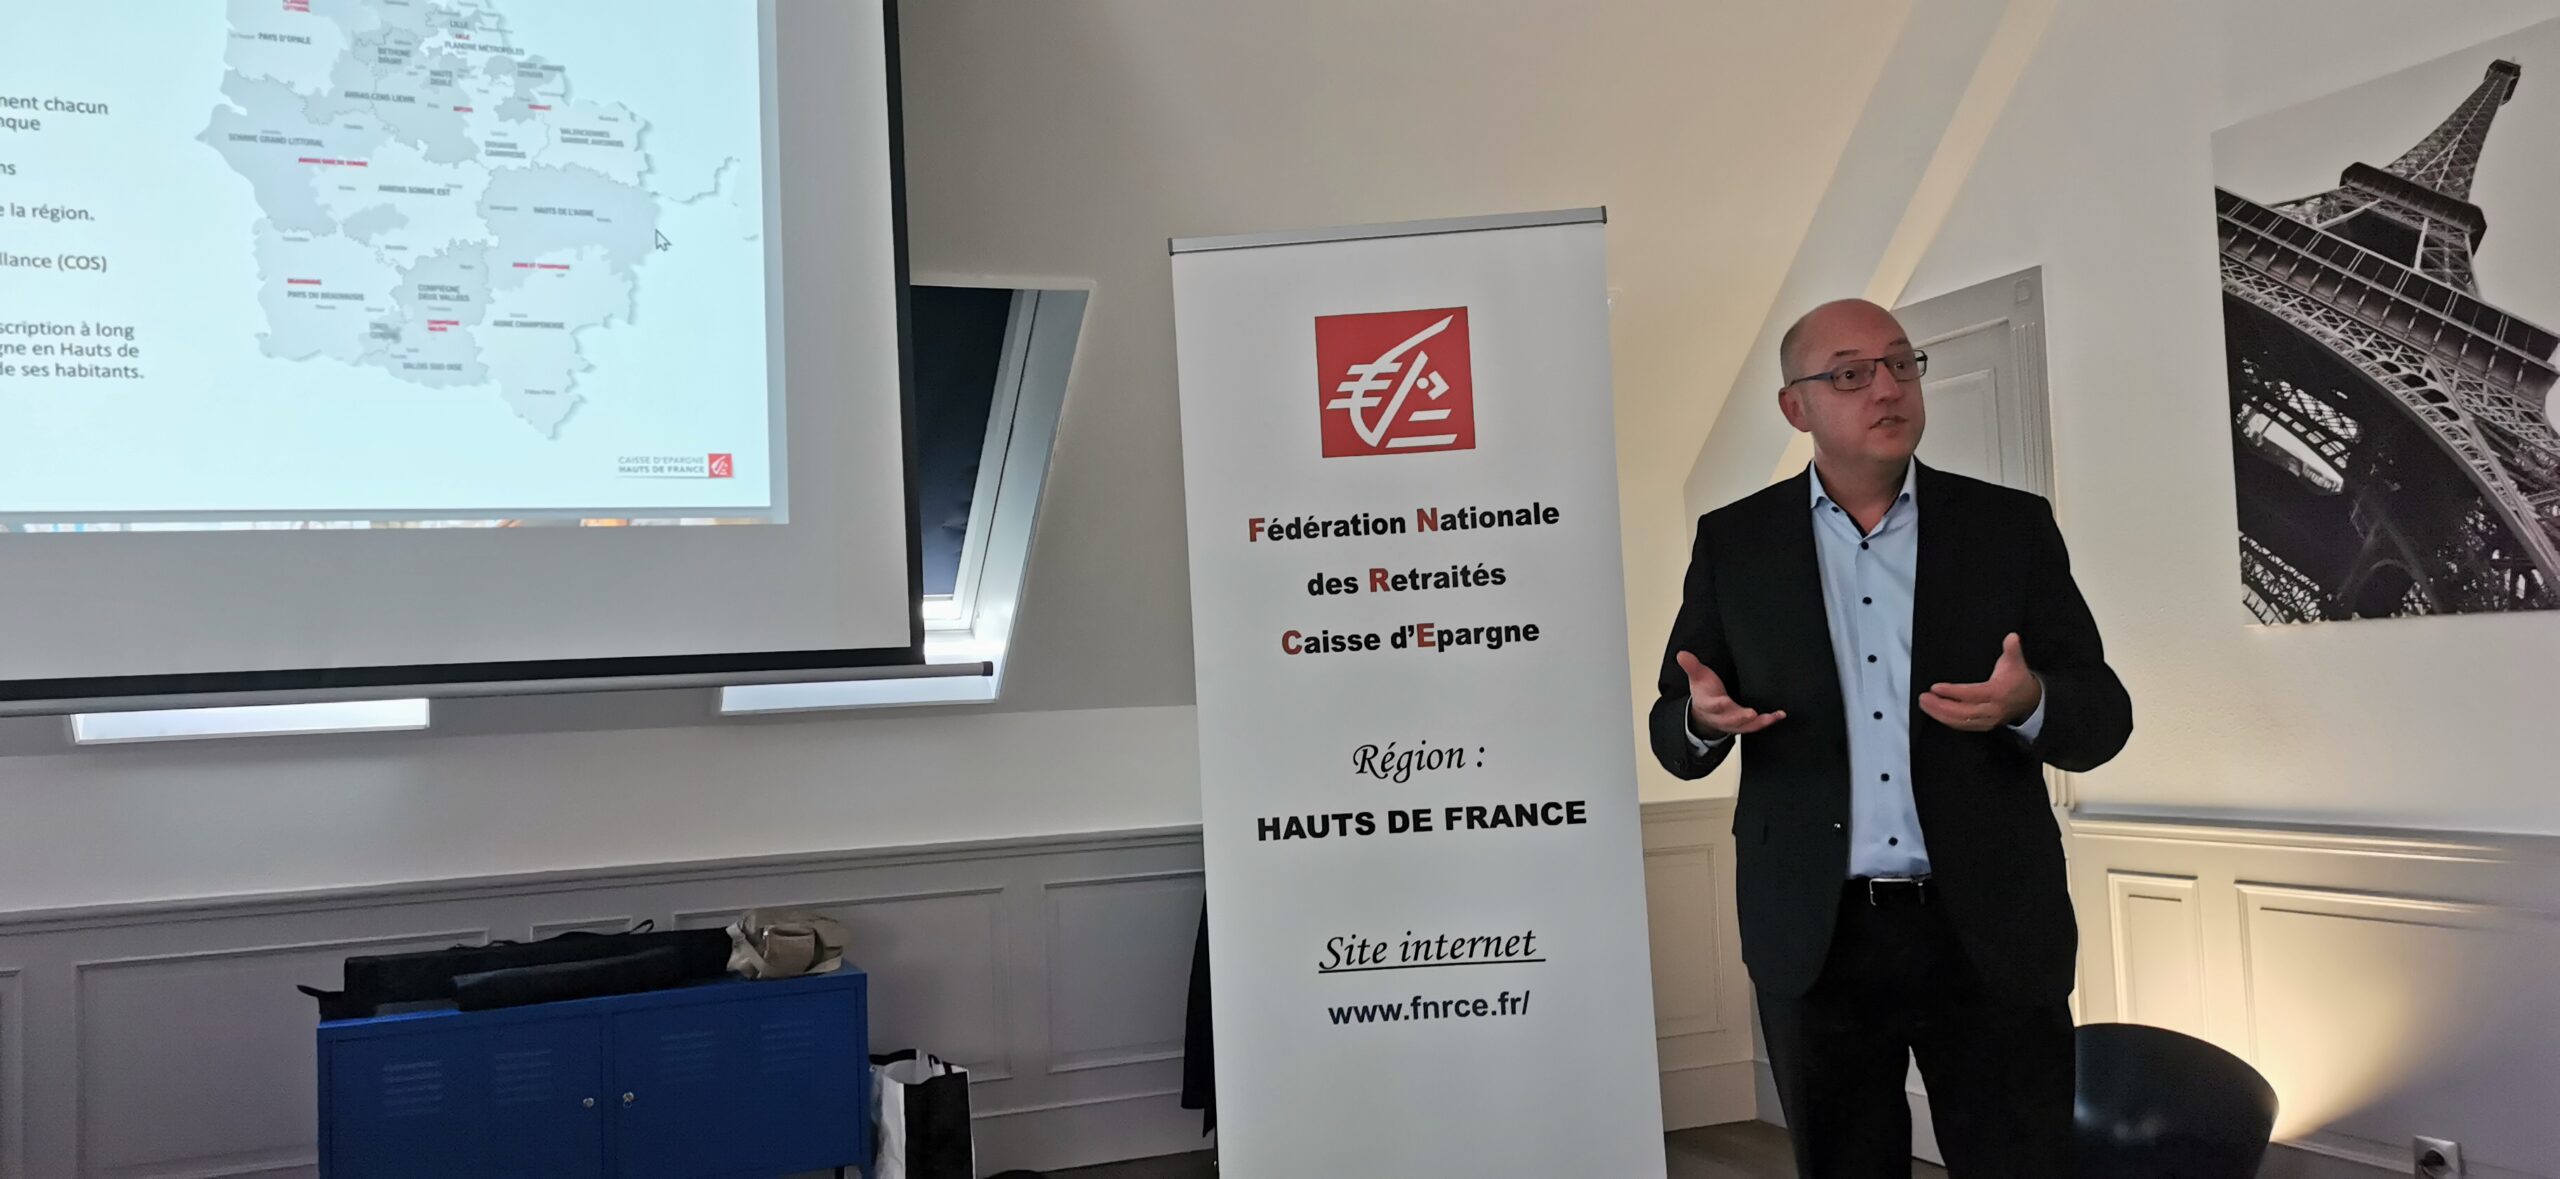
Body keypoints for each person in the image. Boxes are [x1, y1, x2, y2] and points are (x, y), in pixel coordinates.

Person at [1650, 298, 2132, 1176]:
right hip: (1817, 935)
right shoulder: (1736, 543)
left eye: (1902, 364)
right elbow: (1671, 721)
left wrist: (2029, 701)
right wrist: (1699, 719)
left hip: (1987, 929)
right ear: (1796, 406)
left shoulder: (2009, 528)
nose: (1887, 388)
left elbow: (2102, 714)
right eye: (1851, 373)